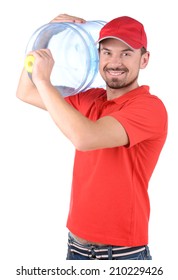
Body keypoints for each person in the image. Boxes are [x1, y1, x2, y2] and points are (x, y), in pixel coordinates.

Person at [16, 14, 168, 260]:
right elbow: (26, 91)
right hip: (76, 247)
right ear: (98, 55)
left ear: (145, 59)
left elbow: (85, 138)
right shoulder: (89, 98)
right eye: (107, 53)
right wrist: (45, 37)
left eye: (126, 53)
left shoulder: (149, 108)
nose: (114, 62)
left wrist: (44, 79)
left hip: (122, 254)